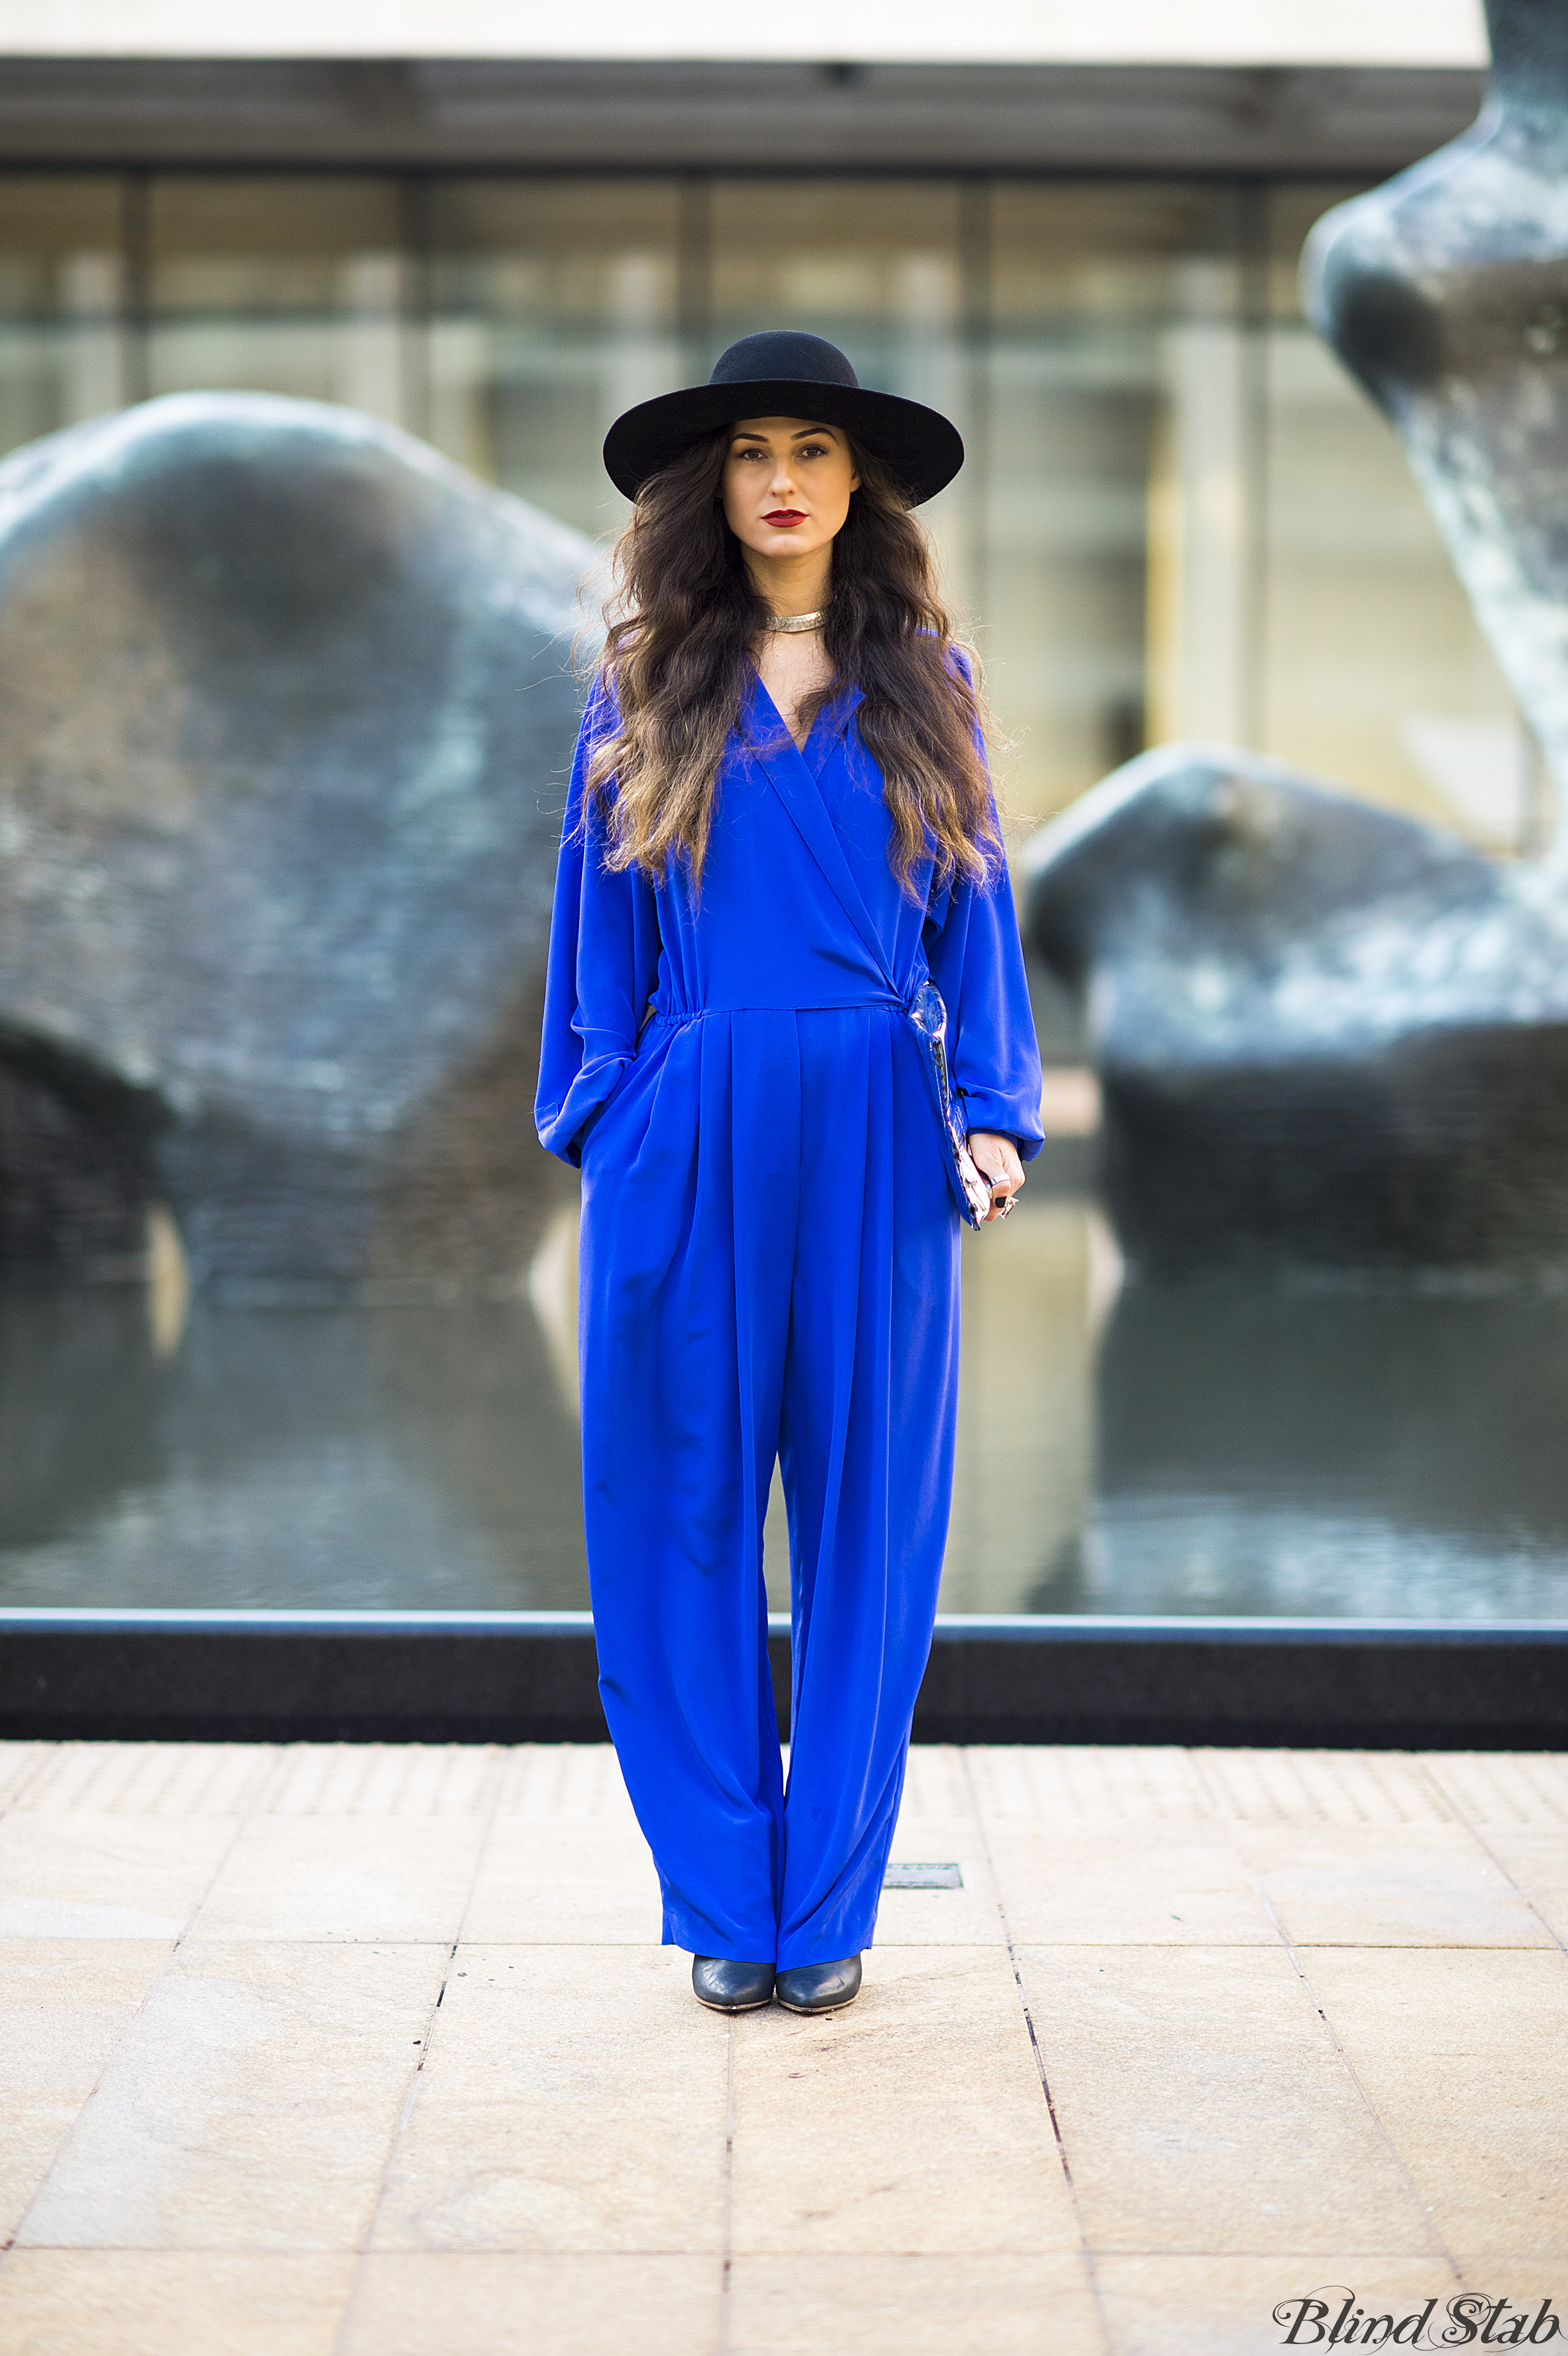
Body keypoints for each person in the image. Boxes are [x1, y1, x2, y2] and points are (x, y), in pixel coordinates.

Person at [536, 330, 1044, 2016]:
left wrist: (990, 1111)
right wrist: (611, 1116)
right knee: (669, 1516)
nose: (780, 479)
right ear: (713, 484)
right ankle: (717, 1899)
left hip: (879, 1137)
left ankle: (821, 1904)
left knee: (868, 1528)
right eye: (751, 450)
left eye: (812, 450)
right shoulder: (643, 684)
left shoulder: (929, 685)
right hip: (687, 1124)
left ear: (856, 486)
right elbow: (591, 943)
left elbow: (977, 920)